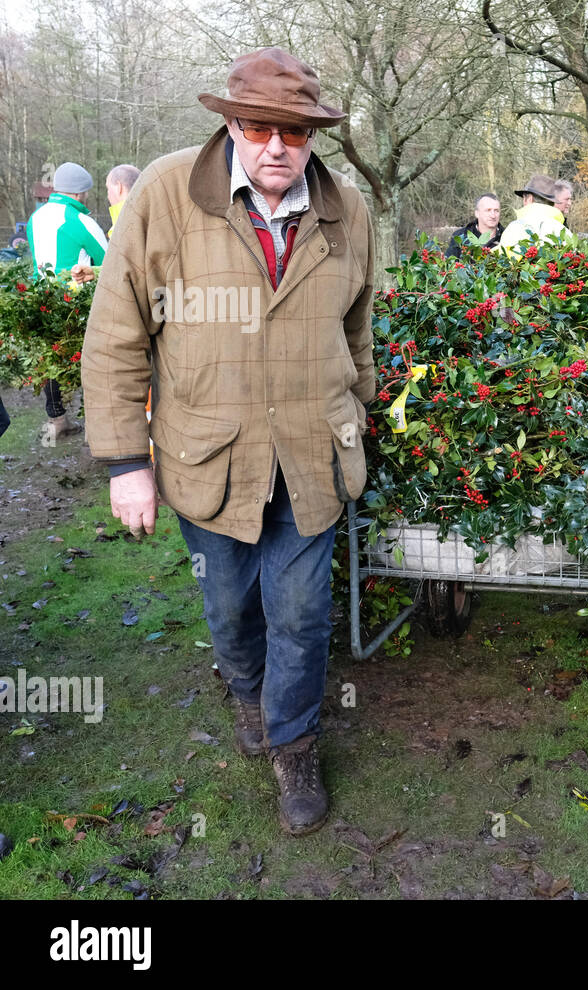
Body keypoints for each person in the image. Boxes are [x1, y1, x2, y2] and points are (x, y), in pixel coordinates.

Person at [80, 47, 375, 837]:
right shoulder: (167, 193)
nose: (276, 146)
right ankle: (246, 690)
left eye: (295, 130)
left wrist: (361, 411)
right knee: (231, 606)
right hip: (206, 458)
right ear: (230, 124)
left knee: (304, 613)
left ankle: (294, 746)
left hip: (314, 457)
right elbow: (115, 333)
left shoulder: (348, 207)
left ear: (314, 135)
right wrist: (124, 463)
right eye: (257, 127)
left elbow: (359, 327)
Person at [27, 161, 110, 440]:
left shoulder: (35, 219)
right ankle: (95, 426)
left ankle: (57, 419)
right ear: (79, 194)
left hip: (43, 301)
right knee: (90, 360)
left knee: (52, 361)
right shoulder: (81, 221)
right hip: (76, 305)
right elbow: (108, 261)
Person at [499, 173, 570, 252]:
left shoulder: (515, 228)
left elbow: (502, 258)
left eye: (524, 198)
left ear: (529, 198)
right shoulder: (565, 233)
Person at [446, 192, 502, 257]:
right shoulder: (460, 236)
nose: (493, 215)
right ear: (477, 213)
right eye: (488, 210)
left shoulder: (509, 238)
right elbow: (450, 264)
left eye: (496, 210)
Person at [106, 164, 141, 237]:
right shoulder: (150, 216)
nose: (108, 195)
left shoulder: (122, 226)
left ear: (119, 187)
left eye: (108, 189)